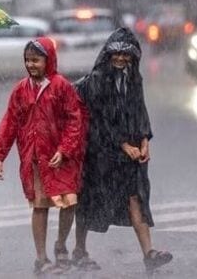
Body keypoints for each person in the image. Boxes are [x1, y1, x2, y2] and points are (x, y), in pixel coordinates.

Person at [72, 27, 172, 272]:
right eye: (115, 53)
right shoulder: (97, 81)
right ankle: (79, 250)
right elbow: (99, 119)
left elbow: (140, 111)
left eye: (125, 54)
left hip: (130, 153)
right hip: (100, 153)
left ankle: (149, 253)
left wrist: (145, 140)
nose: (120, 58)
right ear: (108, 53)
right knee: (89, 200)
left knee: (135, 198)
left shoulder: (133, 78)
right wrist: (123, 144)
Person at [0, 38, 86, 275]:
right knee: (40, 207)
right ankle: (41, 259)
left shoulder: (62, 86)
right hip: (35, 159)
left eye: (36, 60)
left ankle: (61, 244)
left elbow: (75, 121)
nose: (31, 65)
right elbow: (10, 122)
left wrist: (64, 149)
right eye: (27, 60)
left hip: (62, 158)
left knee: (69, 203)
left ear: (48, 60)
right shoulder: (21, 90)